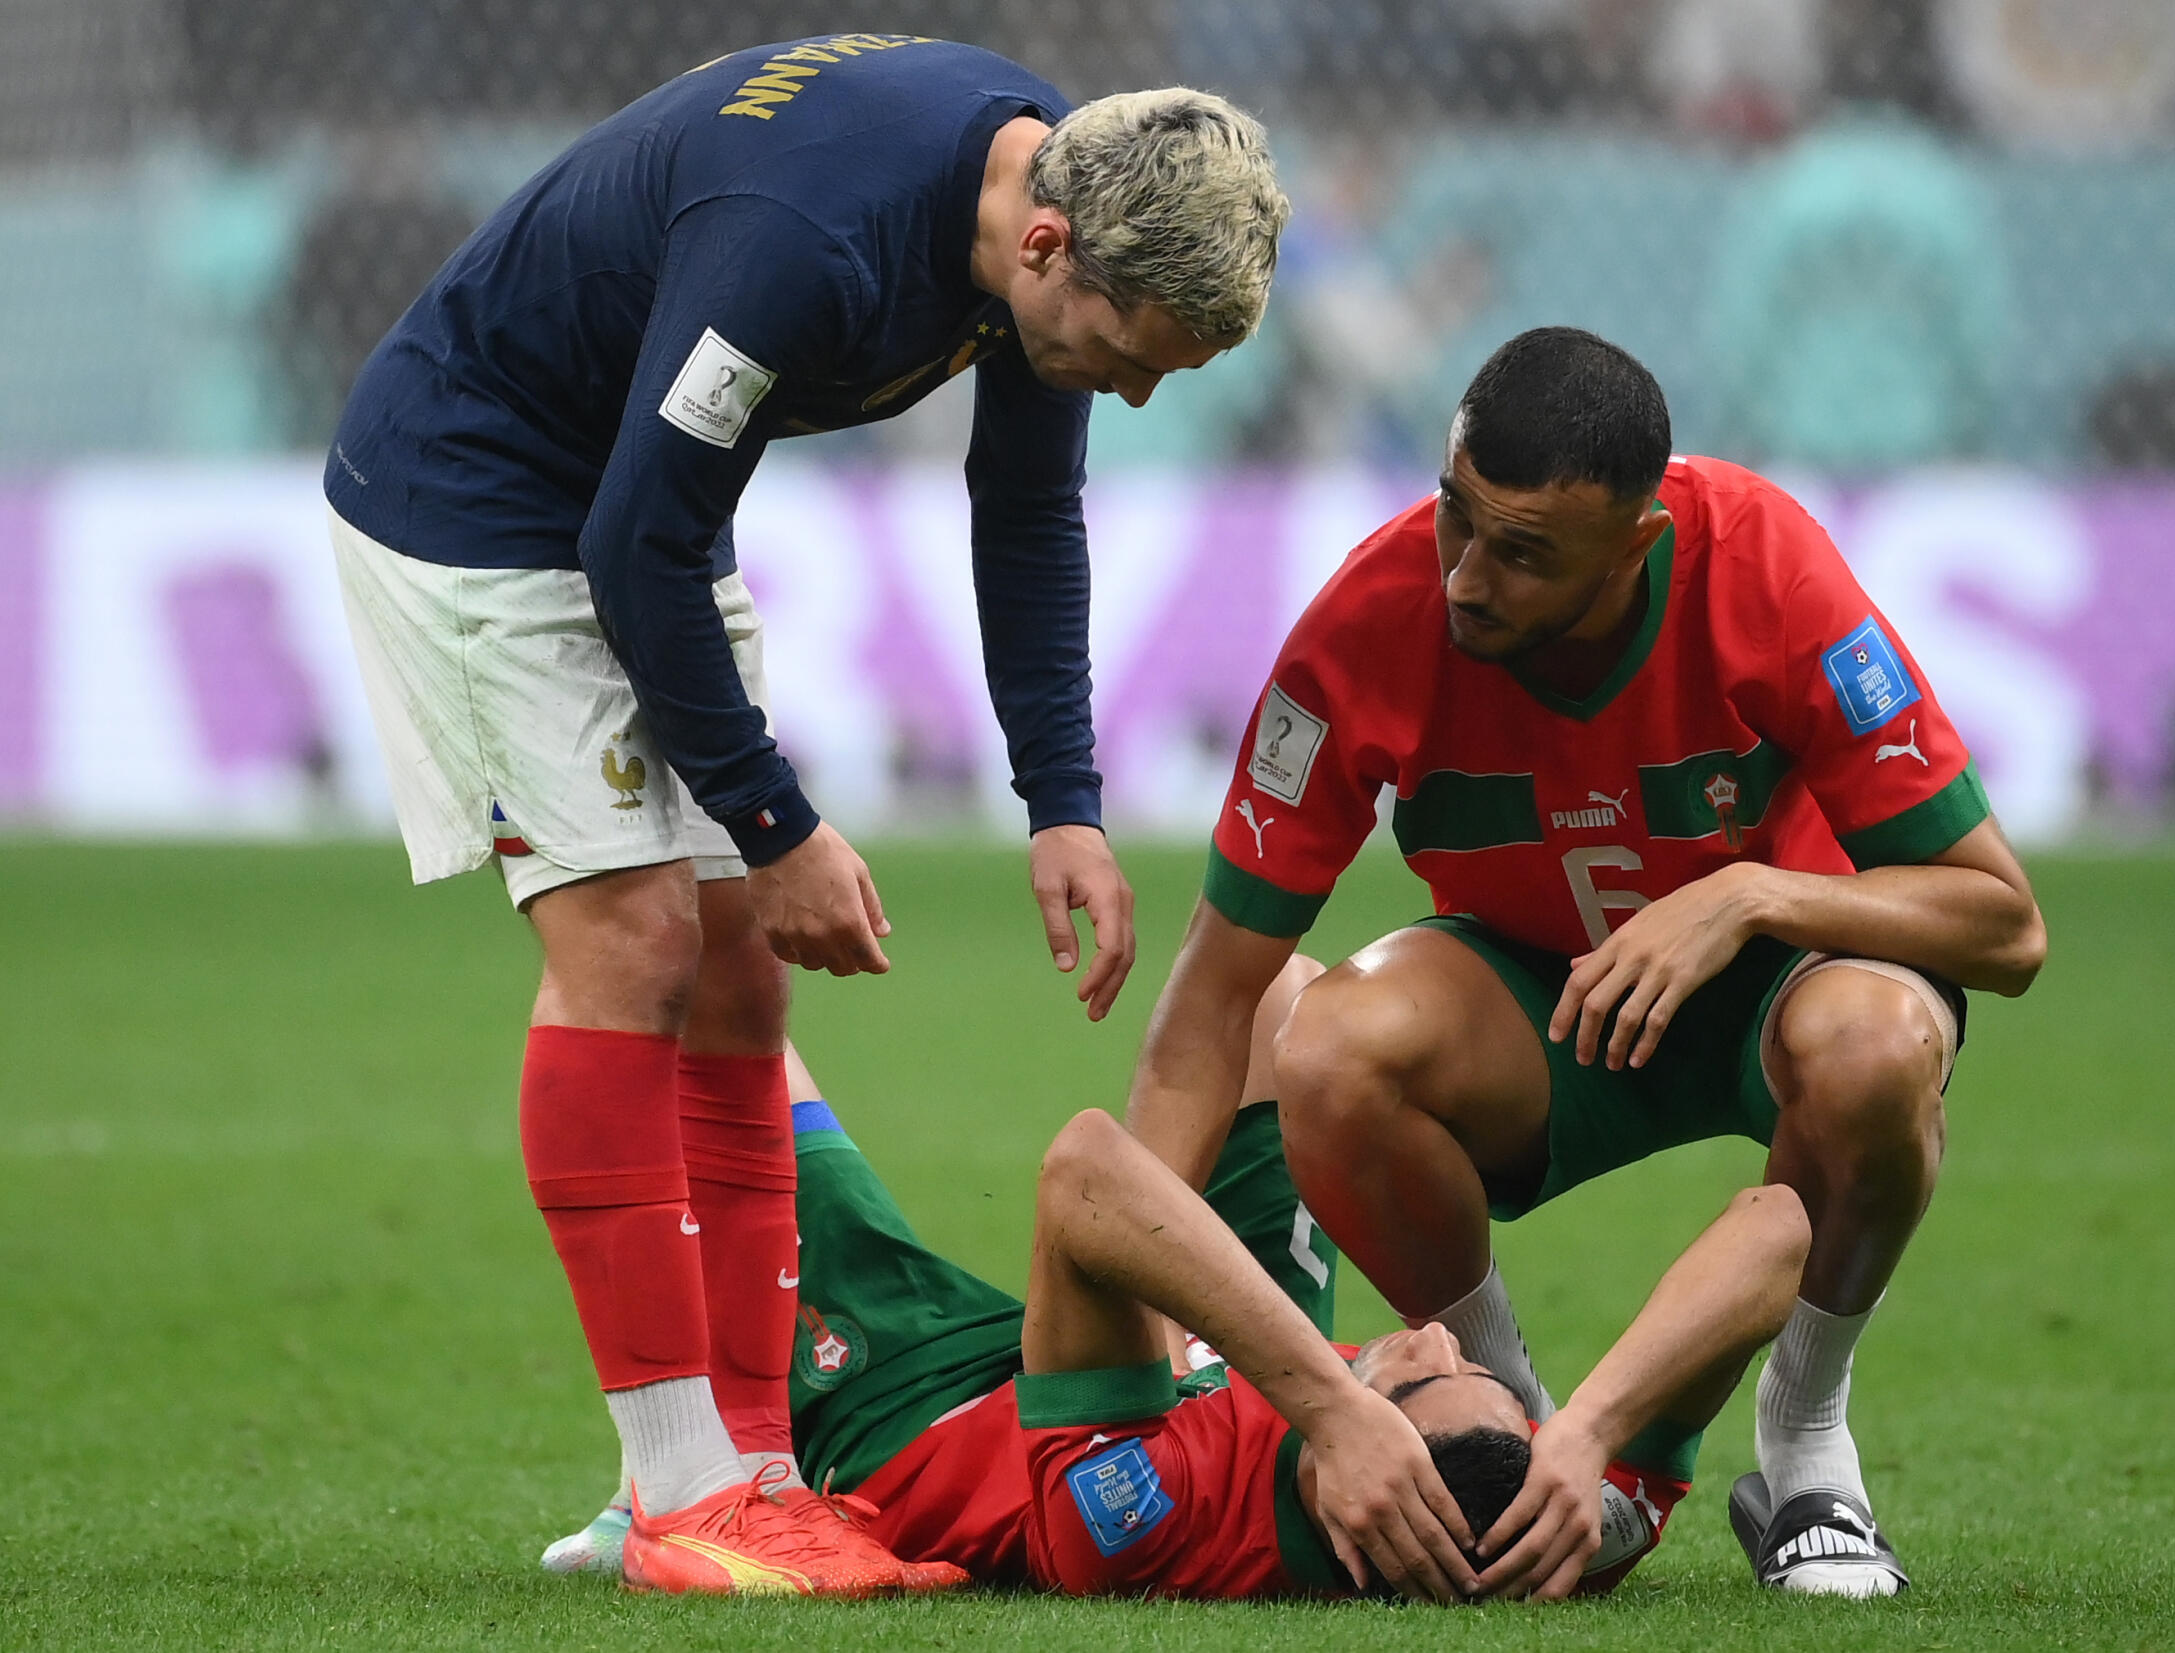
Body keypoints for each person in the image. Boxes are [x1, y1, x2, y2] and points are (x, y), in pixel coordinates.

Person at [324, 34, 1288, 1596]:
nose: (1133, 384)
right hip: (480, 493)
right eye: (1129, 349)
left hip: (640, 501)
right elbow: (636, 537)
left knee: (740, 977)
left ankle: (758, 1471)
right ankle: (679, 1489)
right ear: (1043, 245)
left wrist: (1065, 801)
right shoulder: (813, 240)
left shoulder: (1055, 197)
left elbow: (1027, 508)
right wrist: (779, 828)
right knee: (636, 944)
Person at [1124, 326, 2047, 1597]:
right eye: (1456, 517)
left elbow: (2003, 927)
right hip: (1538, 1007)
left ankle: (1804, 1454)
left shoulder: (1761, 564)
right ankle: (1521, 1446)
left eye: (1521, 554)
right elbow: (1213, 997)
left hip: (1782, 986)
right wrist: (1145, 1329)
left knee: (1875, 1051)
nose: (1464, 577)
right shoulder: (1366, 622)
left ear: (1635, 548)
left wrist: (1749, 896)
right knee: (1326, 1046)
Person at [552, 963, 1810, 1601]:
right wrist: (1583, 1433)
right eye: (1475, 1372)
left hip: (915, 1412)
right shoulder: (1546, 1531)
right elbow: (1775, 1227)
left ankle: (666, 1470)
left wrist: (1330, 1399)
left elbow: (1081, 1172)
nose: (1429, 1338)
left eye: (1420, 1382)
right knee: (1285, 995)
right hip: (1226, 1379)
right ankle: (1179, 1275)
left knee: (692, 1011)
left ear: (1367, 1504)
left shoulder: (1142, 1514)